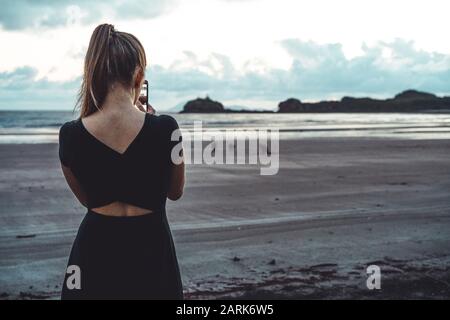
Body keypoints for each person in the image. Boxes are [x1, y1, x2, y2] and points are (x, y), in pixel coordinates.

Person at [58, 24, 185, 299]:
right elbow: (175, 192)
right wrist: (151, 122)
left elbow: (88, 199)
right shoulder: (166, 129)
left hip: (94, 250)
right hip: (152, 249)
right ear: (139, 74)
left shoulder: (70, 135)